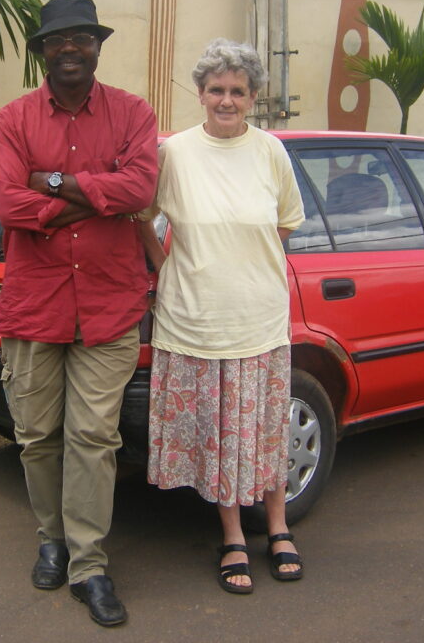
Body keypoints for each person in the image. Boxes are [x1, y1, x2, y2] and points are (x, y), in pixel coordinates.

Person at [0, 0, 158, 627]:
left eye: (82, 38)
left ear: (96, 47)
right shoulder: (13, 119)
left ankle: (89, 565)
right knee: (38, 437)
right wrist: (98, 194)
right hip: (36, 306)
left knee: (94, 438)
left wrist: (54, 183)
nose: (70, 48)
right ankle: (51, 539)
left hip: (110, 304)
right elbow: (10, 206)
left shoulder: (132, 113)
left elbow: (140, 189)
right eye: (58, 40)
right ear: (41, 50)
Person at [139, 38, 305, 594]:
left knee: (263, 431)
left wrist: (246, 264)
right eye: (217, 90)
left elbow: (284, 224)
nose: (227, 100)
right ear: (201, 93)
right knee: (219, 435)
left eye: (238, 91)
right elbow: (143, 218)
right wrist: (166, 268)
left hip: (259, 320)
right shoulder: (174, 153)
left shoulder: (271, 152)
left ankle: (278, 528)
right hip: (194, 320)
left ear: (253, 95)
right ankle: (233, 535)